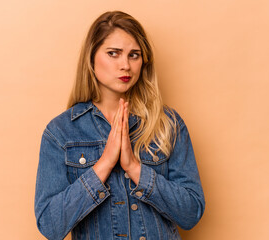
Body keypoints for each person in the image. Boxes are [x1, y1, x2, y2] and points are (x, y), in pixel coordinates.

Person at [35, 11, 205, 240]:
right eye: (113, 53)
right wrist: (104, 164)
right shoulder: (61, 132)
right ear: (92, 57)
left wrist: (135, 168)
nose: (125, 65)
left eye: (134, 55)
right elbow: (49, 225)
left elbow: (191, 213)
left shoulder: (169, 125)